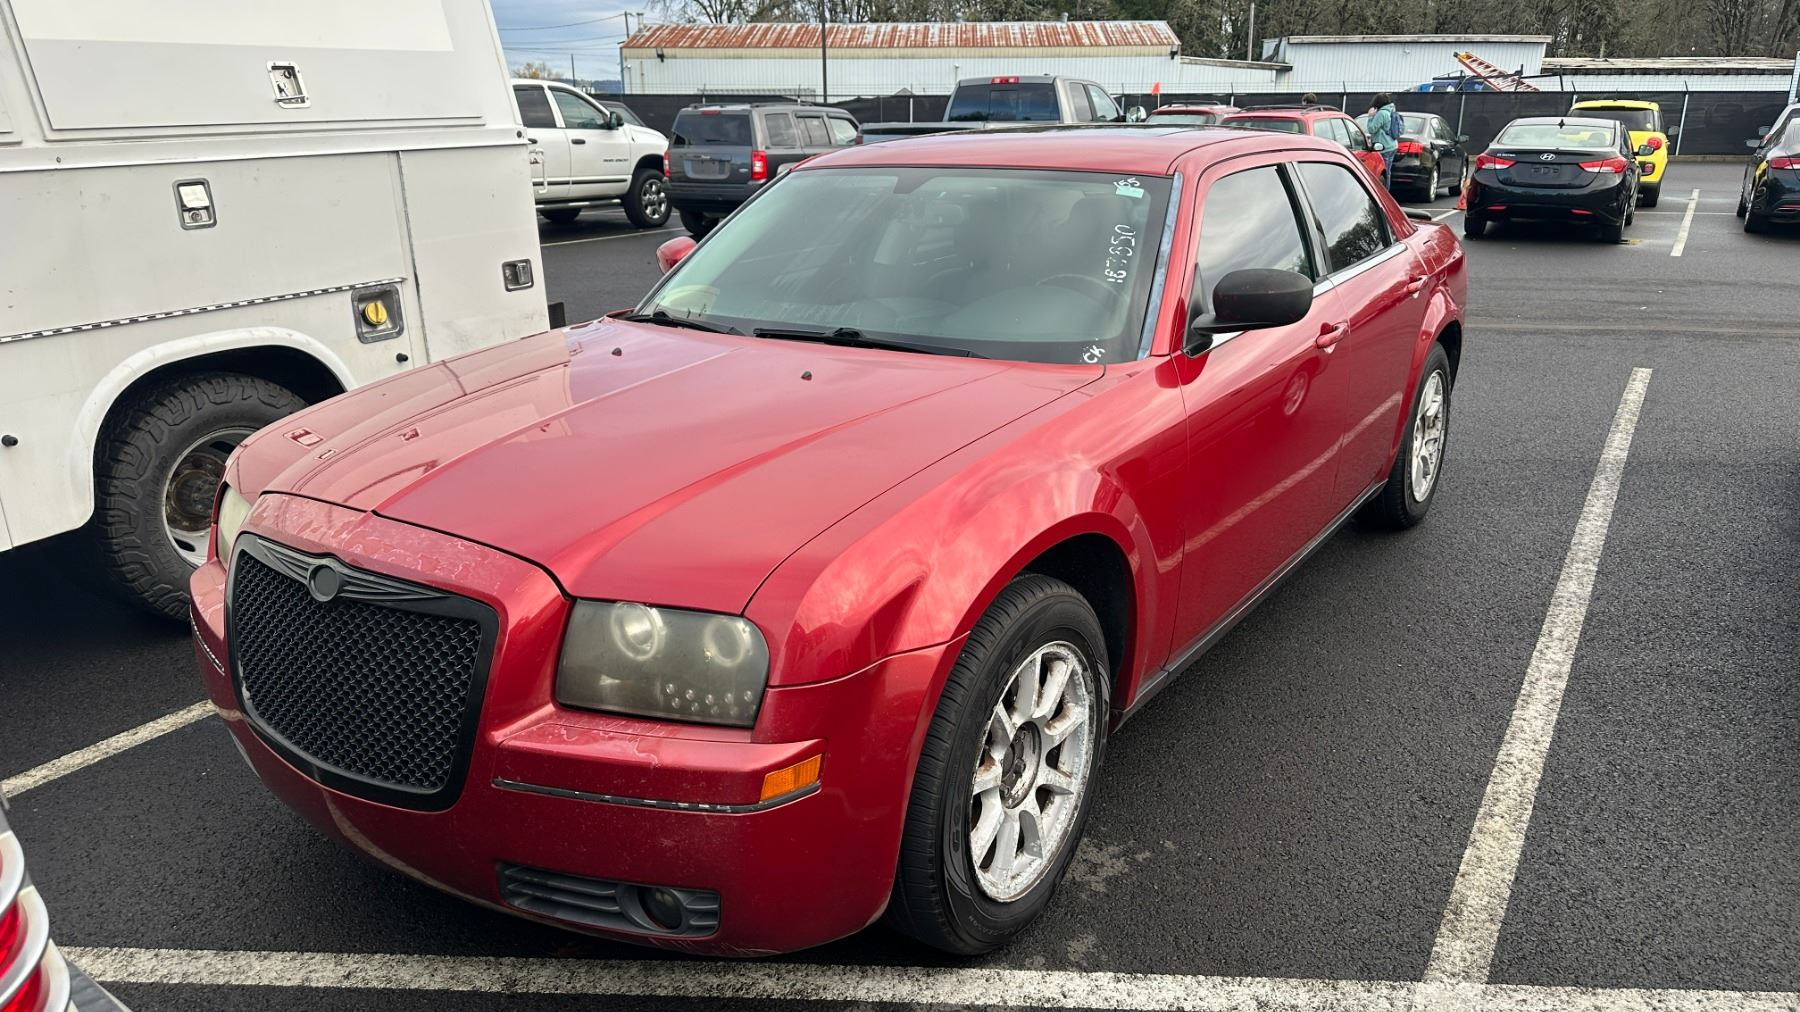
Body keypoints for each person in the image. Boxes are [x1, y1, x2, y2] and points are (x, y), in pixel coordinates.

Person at [1365, 93, 1400, 182]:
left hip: (1384, 147)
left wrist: (1370, 117)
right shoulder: (1392, 110)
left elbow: (1372, 129)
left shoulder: (1382, 113)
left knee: (1383, 173)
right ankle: (1385, 189)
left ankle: (1382, 190)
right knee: (1388, 172)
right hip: (1393, 145)